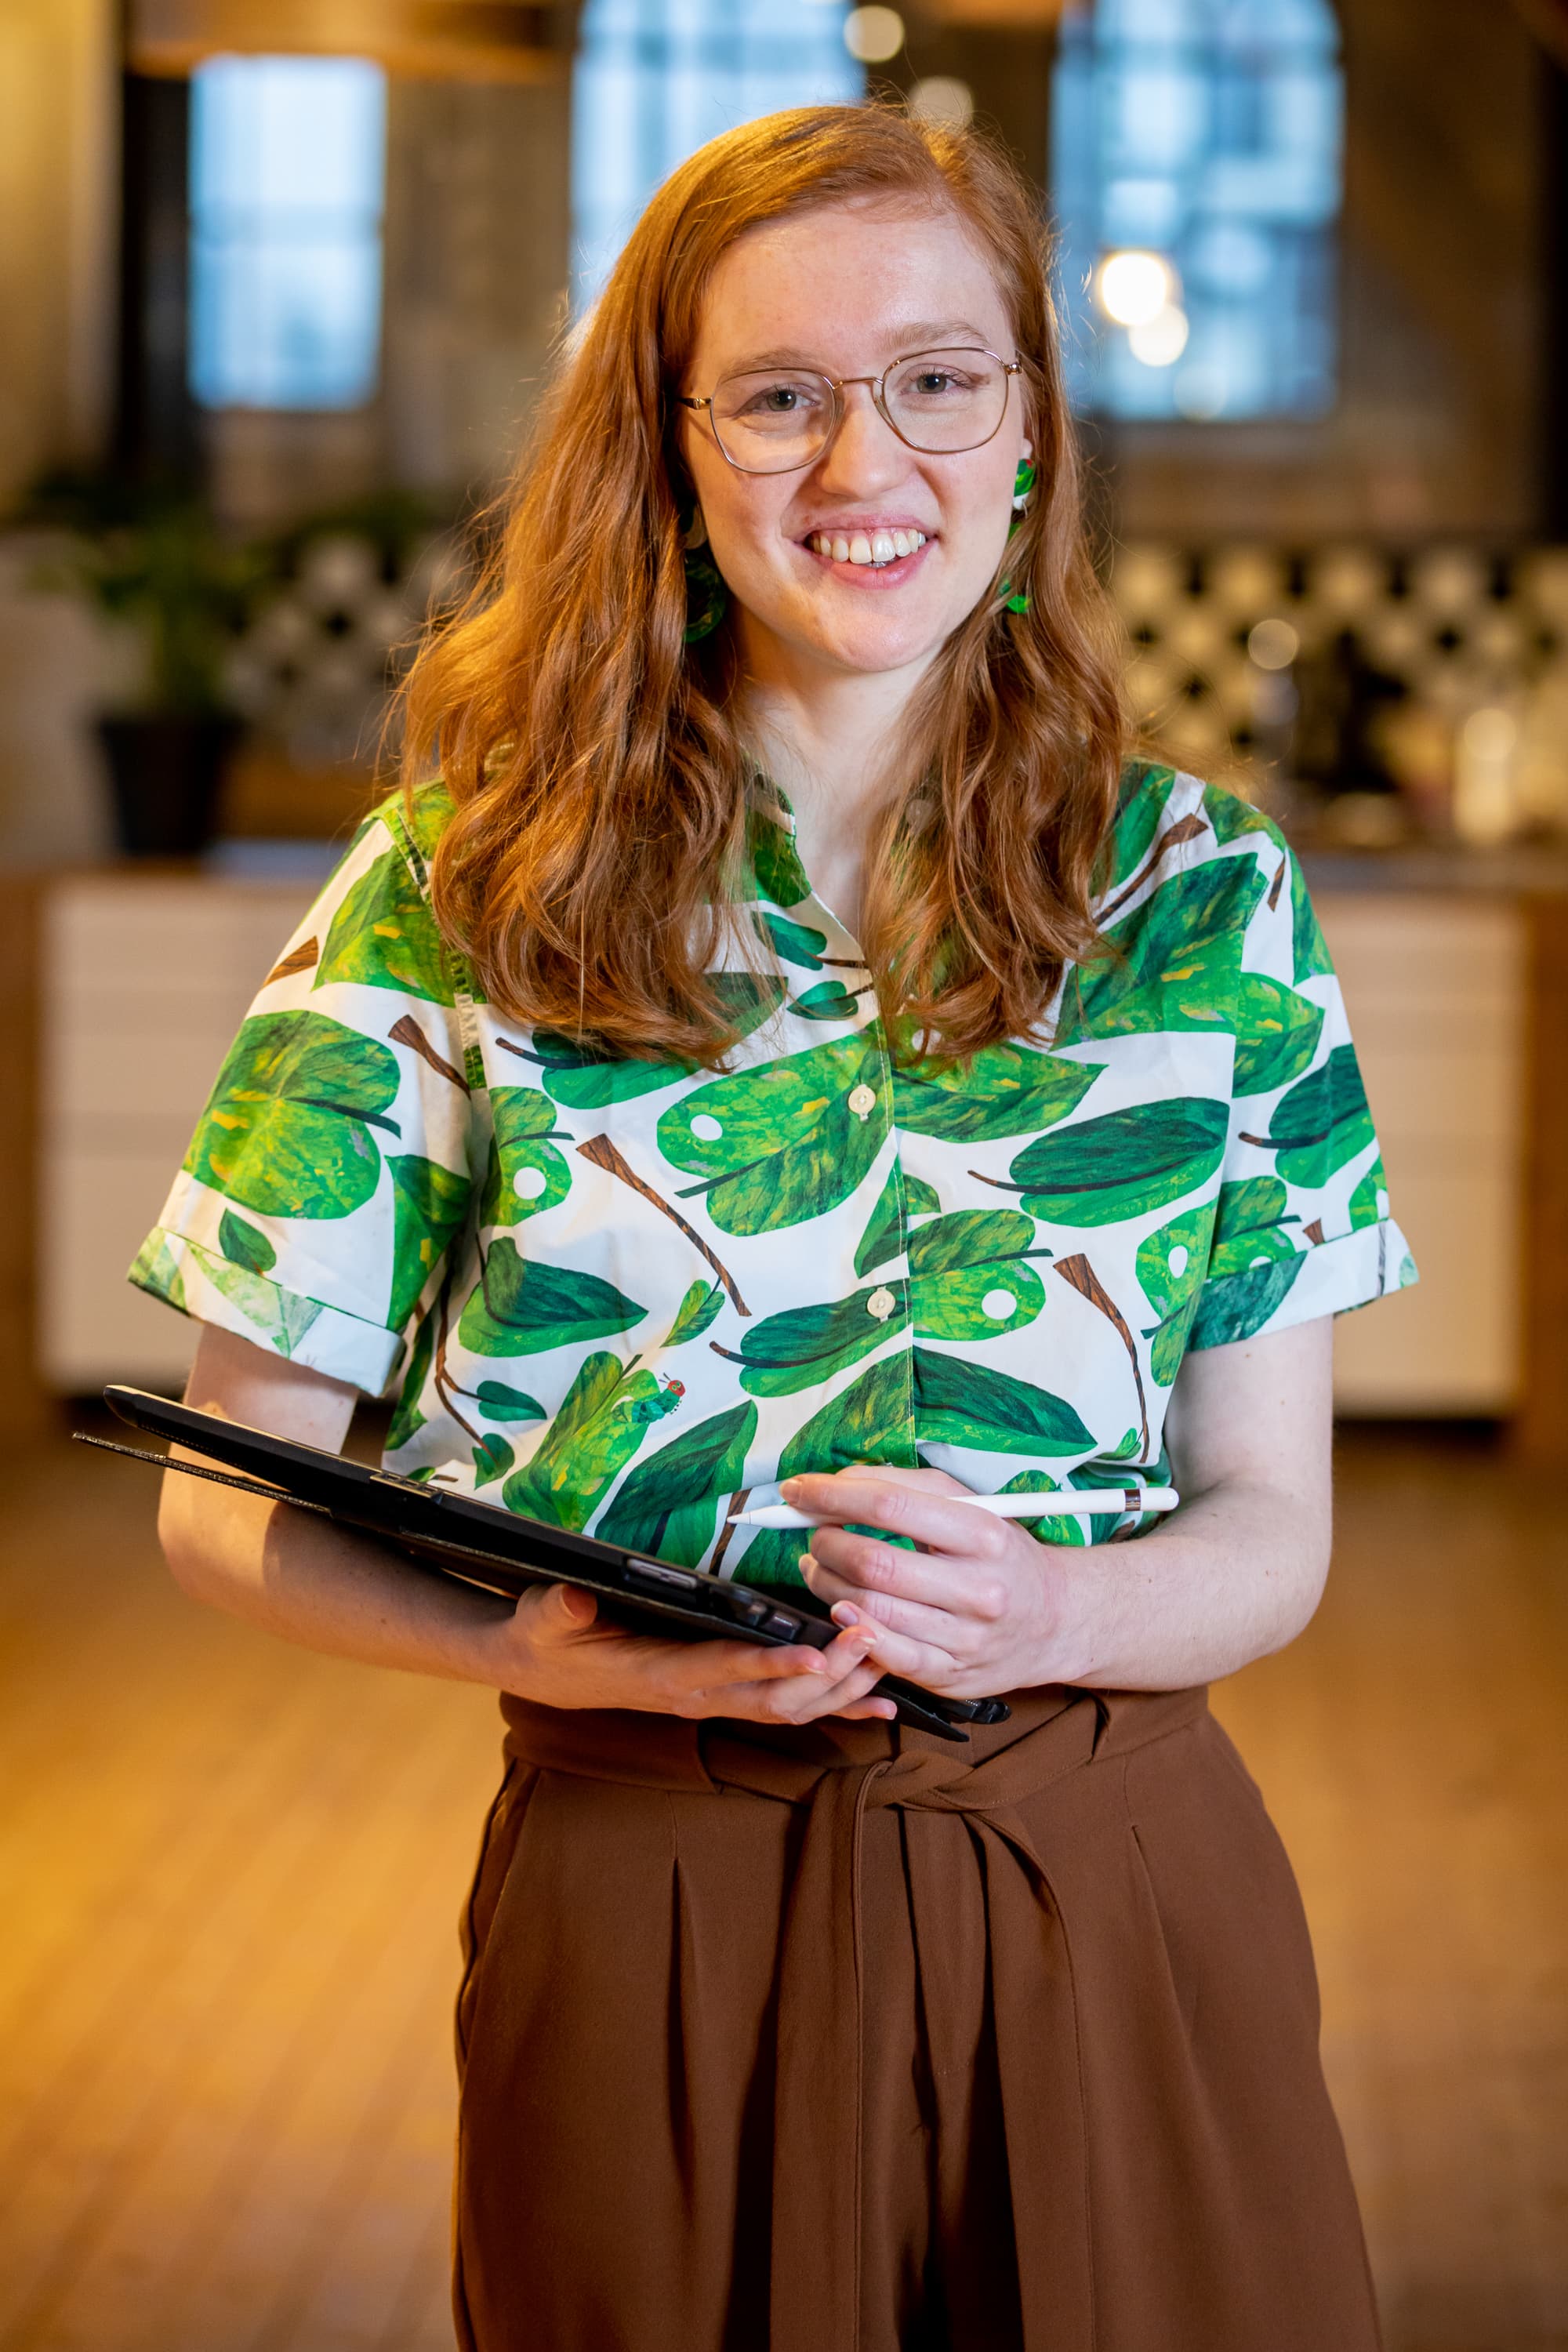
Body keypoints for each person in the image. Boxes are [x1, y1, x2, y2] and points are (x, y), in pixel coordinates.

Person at [140, 103, 1414, 2352]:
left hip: (1114, 1883)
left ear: (1029, 433)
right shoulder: (455, 896)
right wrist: (529, 1653)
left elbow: (1272, 1531)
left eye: (938, 379)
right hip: (650, 1901)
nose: (865, 461)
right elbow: (220, 1493)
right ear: (670, 451)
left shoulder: (1204, 896)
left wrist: (1059, 1607)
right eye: (778, 395)